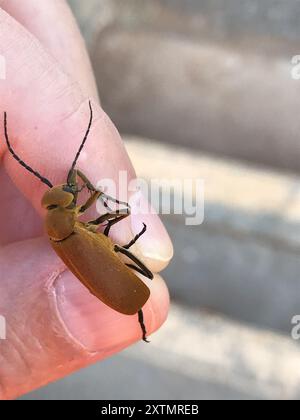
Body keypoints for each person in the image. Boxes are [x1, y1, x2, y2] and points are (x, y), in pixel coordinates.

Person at [0, 0, 173, 399]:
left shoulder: (66, 231)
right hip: (112, 274)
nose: (68, 195)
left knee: (128, 254)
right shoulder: (74, 230)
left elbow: (104, 227)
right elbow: (107, 228)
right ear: (69, 212)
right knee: (126, 250)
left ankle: (141, 319)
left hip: (113, 274)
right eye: (67, 200)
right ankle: (141, 319)